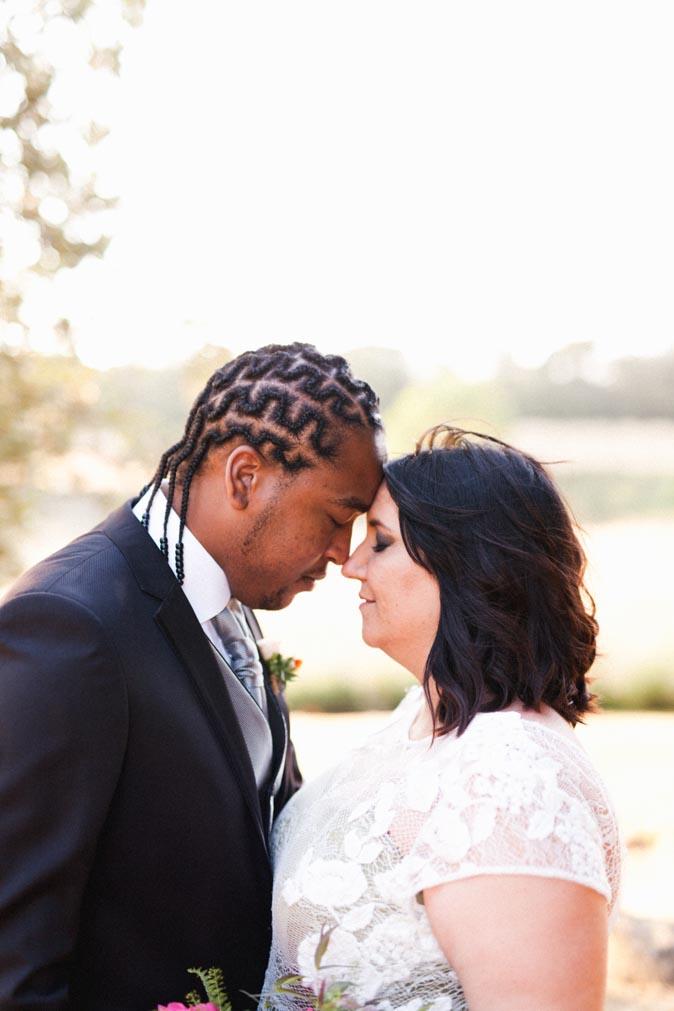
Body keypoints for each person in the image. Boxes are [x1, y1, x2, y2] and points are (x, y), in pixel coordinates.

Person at [0, 343, 384, 1011]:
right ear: (245, 477)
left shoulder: (231, 602)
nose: (341, 554)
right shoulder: (68, 624)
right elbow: (14, 957)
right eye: (334, 518)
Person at [262, 426, 621, 1011]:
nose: (351, 565)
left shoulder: (511, 778)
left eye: (380, 542)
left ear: (466, 565)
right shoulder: (424, 720)